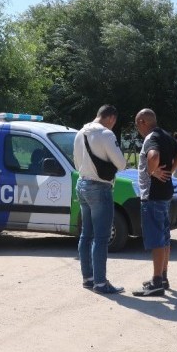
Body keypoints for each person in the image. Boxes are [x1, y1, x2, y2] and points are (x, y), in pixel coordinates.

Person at [73, 105, 128, 294]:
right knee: (102, 238)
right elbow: (121, 164)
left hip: (82, 185)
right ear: (111, 118)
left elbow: (76, 163)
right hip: (100, 187)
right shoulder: (106, 135)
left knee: (85, 235)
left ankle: (88, 278)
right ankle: (101, 283)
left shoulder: (80, 133)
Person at [133, 109, 177, 297]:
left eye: (137, 124)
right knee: (164, 236)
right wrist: (171, 170)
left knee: (156, 239)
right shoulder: (165, 135)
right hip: (165, 193)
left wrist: (151, 171)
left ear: (142, 121)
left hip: (152, 195)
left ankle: (156, 282)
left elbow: (153, 156)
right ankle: (162, 276)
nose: (137, 128)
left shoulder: (151, 138)